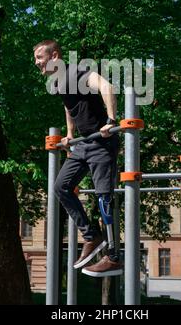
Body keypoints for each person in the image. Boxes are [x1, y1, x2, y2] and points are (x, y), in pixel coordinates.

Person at [33, 39, 122, 277]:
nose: (37, 63)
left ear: (54, 56)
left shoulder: (77, 71)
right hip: (83, 143)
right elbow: (68, 107)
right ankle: (91, 236)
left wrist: (111, 121)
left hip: (102, 142)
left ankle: (114, 257)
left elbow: (107, 86)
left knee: (104, 198)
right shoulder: (59, 82)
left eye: (39, 58)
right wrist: (70, 134)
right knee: (61, 187)